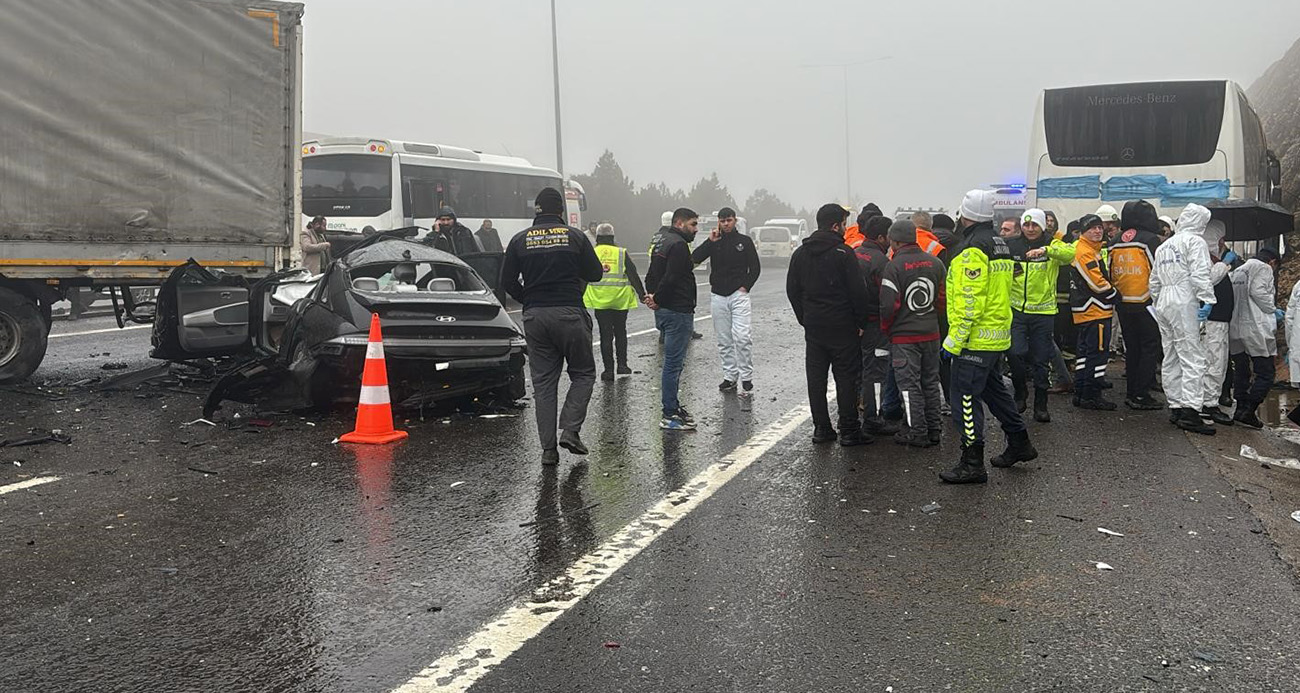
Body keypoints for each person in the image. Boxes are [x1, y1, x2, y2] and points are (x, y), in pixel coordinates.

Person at [500, 188, 604, 466]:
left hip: (535, 316)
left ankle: (548, 451)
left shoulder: (519, 240)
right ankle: (570, 430)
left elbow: (507, 281)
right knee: (583, 373)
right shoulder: (575, 237)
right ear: (560, 211)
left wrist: (530, 299)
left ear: (536, 210)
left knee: (544, 383)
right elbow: (594, 274)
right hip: (569, 311)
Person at [939, 190, 1037, 484]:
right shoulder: (999, 243)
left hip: (975, 340)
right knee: (994, 392)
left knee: (965, 399)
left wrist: (953, 342)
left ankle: (972, 462)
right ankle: (1020, 442)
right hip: (996, 336)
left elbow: (970, 302)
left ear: (964, 214)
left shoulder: (971, 249)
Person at [787, 204, 872, 447]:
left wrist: (805, 317)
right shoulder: (844, 253)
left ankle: (822, 428)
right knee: (846, 378)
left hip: (814, 327)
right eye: (844, 224)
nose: (846, 229)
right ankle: (849, 430)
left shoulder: (800, 254)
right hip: (843, 326)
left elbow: (792, 290)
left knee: (816, 378)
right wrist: (861, 322)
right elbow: (858, 292)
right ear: (835, 225)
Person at [1149, 204, 1216, 435]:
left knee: (1171, 355)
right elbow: (1200, 273)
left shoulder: (1165, 245)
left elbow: (1154, 281)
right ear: (1200, 222)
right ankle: (1191, 411)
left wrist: (1159, 303)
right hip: (1184, 299)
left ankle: (1176, 406)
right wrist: (1207, 299)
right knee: (1192, 356)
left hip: (1164, 302)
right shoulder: (1195, 242)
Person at [879, 219, 946, 447]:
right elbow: (942, 299)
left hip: (904, 337)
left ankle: (917, 431)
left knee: (908, 387)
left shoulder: (894, 266)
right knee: (929, 382)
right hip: (931, 333)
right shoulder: (936, 263)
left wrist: (887, 329)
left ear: (894, 241)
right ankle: (934, 428)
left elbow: (888, 306)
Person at [1006, 208, 1076, 423]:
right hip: (1017, 311)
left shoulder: (1053, 245)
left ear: (1042, 226)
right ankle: (1020, 393)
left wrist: (1045, 251)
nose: (1030, 229)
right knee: (1015, 353)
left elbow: (1070, 254)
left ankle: (1041, 404)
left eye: (1034, 225)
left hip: (1043, 313)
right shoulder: (1012, 245)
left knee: (1041, 360)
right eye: (1026, 225)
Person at [691, 207, 761, 393]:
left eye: (729, 220)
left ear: (734, 220)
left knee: (742, 336)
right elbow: (694, 259)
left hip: (739, 295)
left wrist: (745, 286)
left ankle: (746, 376)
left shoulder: (744, 242)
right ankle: (730, 377)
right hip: (718, 295)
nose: (726, 224)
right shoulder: (714, 242)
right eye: (722, 221)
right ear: (718, 222)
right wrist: (709, 241)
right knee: (724, 339)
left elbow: (755, 267)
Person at [646, 208, 702, 430]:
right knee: (673, 364)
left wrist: (651, 297)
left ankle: (673, 406)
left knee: (674, 363)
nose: (696, 229)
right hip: (677, 310)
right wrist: (657, 298)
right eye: (693, 224)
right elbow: (672, 277)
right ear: (680, 223)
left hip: (666, 309)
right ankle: (669, 413)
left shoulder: (662, 240)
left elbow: (652, 273)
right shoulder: (678, 245)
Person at [1109, 200, 1165, 410]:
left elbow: (1110, 268)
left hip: (1123, 302)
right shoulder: (1151, 240)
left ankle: (1132, 391)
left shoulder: (1114, 240)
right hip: (1146, 302)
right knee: (1150, 347)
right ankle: (1141, 394)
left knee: (1132, 349)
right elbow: (1158, 270)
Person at [583, 223, 646, 382]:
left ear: (597, 237)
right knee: (620, 332)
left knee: (605, 334)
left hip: (600, 300)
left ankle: (608, 371)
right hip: (620, 300)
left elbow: (582, 276)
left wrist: (577, 298)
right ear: (613, 237)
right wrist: (642, 294)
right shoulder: (621, 253)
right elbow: (633, 275)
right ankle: (622, 365)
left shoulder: (591, 253)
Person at [1069, 214, 1119, 410]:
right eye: (1092, 228)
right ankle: (1091, 394)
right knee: (1098, 354)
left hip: (1088, 310)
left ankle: (1081, 391)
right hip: (1094, 310)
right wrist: (1115, 294)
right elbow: (1096, 283)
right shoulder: (1084, 251)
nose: (1097, 231)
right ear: (1083, 231)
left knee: (1084, 354)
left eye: (1099, 227)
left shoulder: (1090, 249)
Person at [1228, 247, 1282, 428]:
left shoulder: (1238, 270)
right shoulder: (1264, 268)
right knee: (1266, 372)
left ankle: (1239, 408)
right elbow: (1258, 292)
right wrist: (1273, 310)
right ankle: (1249, 410)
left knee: (1242, 370)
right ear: (1272, 262)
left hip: (1236, 327)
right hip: (1256, 327)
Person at [855, 214, 898, 435]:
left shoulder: (854, 254)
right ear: (881, 237)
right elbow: (887, 299)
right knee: (876, 371)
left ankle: (853, 417)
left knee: (857, 369)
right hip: (876, 325)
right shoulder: (882, 262)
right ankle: (873, 418)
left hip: (854, 325)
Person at [1199, 219, 1237, 425]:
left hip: (1219, 320)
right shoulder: (1206, 259)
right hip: (1212, 320)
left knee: (1218, 363)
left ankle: (1209, 401)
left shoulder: (1213, 258)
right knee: (1213, 362)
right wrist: (1224, 263)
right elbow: (1208, 280)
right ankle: (1208, 404)